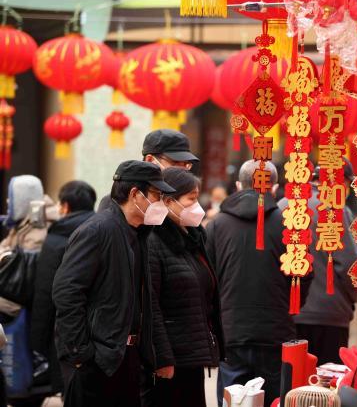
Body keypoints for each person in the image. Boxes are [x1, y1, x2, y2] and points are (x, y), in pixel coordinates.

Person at [53, 161, 175, 407]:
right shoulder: (98, 230)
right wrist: (81, 353)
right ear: (134, 194)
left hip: (127, 357)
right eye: (156, 195)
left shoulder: (140, 234)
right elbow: (67, 291)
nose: (161, 203)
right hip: (98, 361)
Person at [206, 160, 311, 407]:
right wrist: (288, 305)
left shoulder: (217, 225)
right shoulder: (290, 225)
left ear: (238, 185)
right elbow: (303, 276)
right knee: (274, 399)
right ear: (274, 188)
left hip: (231, 331)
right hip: (275, 330)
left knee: (234, 400)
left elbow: (206, 279)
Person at [142, 168, 224, 407]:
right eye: (191, 199)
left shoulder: (194, 239)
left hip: (193, 353)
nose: (196, 205)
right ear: (169, 202)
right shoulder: (153, 242)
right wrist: (163, 357)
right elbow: (151, 305)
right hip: (170, 360)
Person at [278, 159, 357, 365]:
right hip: (328, 314)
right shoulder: (334, 209)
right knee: (325, 385)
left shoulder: (282, 205)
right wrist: (353, 298)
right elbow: (350, 265)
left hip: (286, 313)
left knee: (291, 382)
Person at [30, 180, 97, 394]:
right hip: (104, 331)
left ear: (65, 206)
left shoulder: (56, 237)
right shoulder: (104, 230)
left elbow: (45, 293)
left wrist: (37, 341)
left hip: (66, 333)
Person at [0, 175, 58, 317]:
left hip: (19, 300)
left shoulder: (40, 228)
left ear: (22, 201)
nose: (8, 201)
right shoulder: (23, 223)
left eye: (11, 197)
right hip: (12, 291)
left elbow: (24, 274)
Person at [98, 129, 199, 211]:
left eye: (186, 164)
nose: (182, 170)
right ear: (150, 160)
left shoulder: (183, 204)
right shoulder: (120, 201)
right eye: (175, 163)